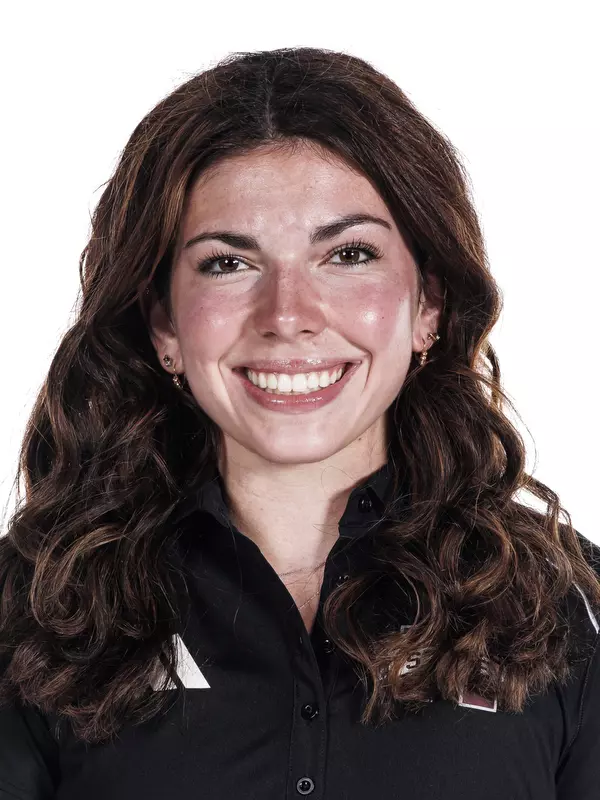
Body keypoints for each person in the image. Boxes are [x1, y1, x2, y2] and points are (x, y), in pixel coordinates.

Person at [0, 46, 598, 800]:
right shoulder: (38, 602)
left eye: (347, 254)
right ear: (163, 324)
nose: (288, 317)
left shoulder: (563, 601)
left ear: (429, 307)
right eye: (228, 263)